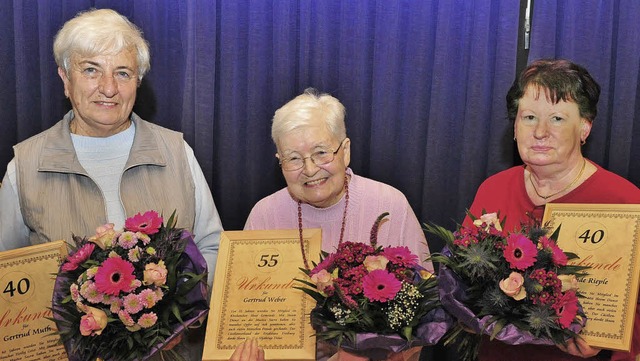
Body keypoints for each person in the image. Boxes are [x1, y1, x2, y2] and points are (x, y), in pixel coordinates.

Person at [0, 8, 222, 360]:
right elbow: (7, 277)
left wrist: (177, 317)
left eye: (123, 72)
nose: (108, 88)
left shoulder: (176, 151)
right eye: (91, 70)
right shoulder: (26, 166)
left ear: (138, 81)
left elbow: (212, 248)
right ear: (64, 77)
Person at [464, 59, 640, 361]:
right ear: (515, 128)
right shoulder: (492, 189)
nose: (541, 131)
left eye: (557, 118)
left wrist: (610, 340)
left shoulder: (625, 201)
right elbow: (464, 280)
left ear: (584, 127)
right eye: (529, 117)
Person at [245, 88, 432, 361]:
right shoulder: (264, 215)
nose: (309, 170)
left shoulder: (389, 206)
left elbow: (425, 313)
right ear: (279, 162)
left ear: (345, 151)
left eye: (321, 153)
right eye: (294, 158)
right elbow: (247, 314)